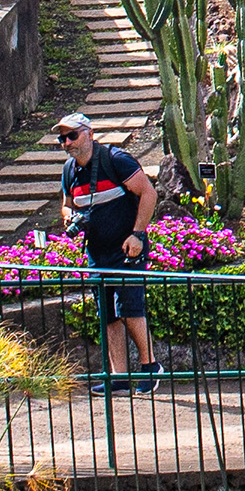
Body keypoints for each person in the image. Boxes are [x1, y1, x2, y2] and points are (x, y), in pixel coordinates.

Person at [58, 113, 159, 390]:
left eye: (72, 135)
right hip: (97, 251)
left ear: (89, 134)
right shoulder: (69, 170)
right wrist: (69, 216)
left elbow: (148, 193)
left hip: (127, 248)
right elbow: (67, 204)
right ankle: (119, 377)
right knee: (108, 314)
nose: (67, 142)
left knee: (129, 309)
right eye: (62, 138)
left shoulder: (116, 160)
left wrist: (137, 234)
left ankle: (150, 367)